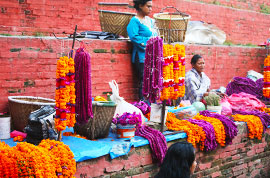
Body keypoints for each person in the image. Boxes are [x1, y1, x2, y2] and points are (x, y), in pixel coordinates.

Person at [127, 0, 157, 101]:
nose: (150, 9)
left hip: (152, 55)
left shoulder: (151, 21)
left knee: (152, 81)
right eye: (148, 6)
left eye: (151, 7)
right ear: (140, 5)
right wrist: (150, 42)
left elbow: (155, 35)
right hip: (141, 57)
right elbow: (134, 37)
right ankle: (144, 106)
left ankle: (151, 104)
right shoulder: (134, 21)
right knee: (144, 81)